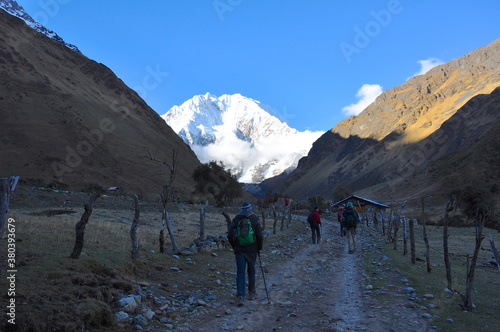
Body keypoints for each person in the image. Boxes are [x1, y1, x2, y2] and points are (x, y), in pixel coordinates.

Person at [228, 202, 264, 306]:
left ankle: (240, 296)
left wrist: (235, 246)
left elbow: (230, 235)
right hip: (252, 250)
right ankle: (252, 293)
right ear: (250, 208)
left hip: (239, 250)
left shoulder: (236, 219)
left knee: (240, 272)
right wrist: (259, 248)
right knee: (251, 271)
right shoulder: (254, 218)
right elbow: (259, 235)